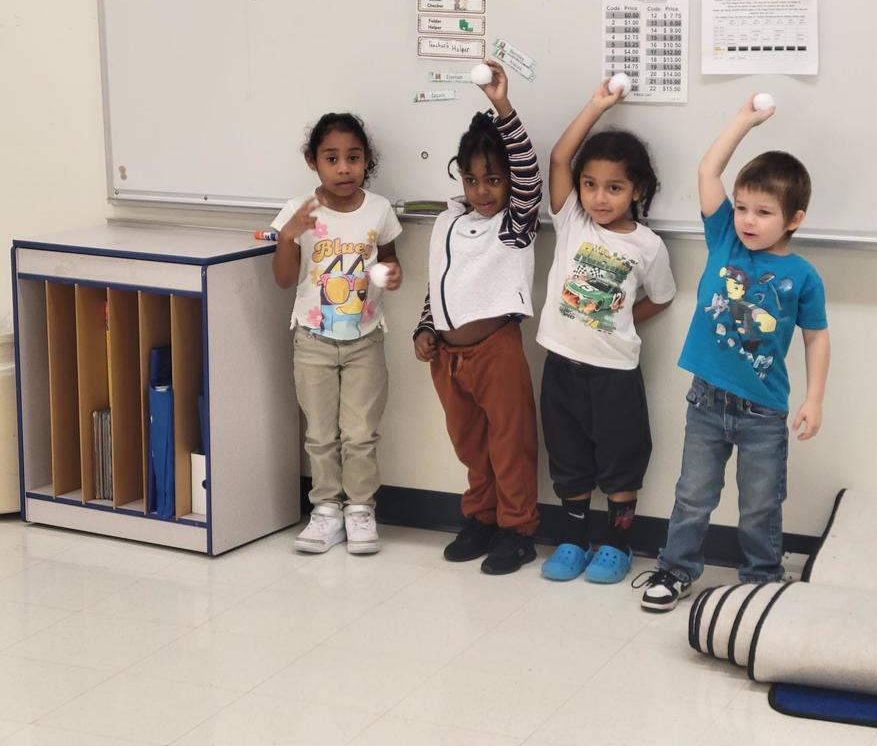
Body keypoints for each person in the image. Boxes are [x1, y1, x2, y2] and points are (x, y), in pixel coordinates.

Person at [636, 96, 830, 612]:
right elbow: (708, 169)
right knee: (693, 496)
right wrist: (744, 121)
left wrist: (814, 399)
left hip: (763, 411)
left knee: (760, 505)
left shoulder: (803, 276)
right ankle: (675, 570)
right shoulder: (723, 238)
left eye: (764, 212)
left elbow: (816, 337)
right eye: (743, 207)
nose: (748, 219)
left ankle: (761, 579)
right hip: (707, 401)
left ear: (794, 219)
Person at [536, 79, 676, 585]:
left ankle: (616, 542)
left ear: (636, 190)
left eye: (614, 187)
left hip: (615, 372)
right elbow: (559, 159)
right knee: (568, 458)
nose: (599, 197)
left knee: (621, 461)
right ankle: (573, 539)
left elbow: (661, 297)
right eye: (590, 184)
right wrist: (596, 105)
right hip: (561, 365)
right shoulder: (572, 220)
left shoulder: (648, 245)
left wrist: (617, 321)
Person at [413, 59, 543, 575]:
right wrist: (426, 326)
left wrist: (502, 105)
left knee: (510, 443)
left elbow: (529, 173)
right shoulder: (448, 221)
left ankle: (518, 529)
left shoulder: (514, 224)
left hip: (496, 350)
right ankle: (482, 518)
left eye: (493, 179)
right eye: (472, 179)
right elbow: (439, 281)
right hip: (448, 356)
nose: (482, 190)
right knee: (471, 444)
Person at [271, 112, 401, 555]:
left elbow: (389, 262)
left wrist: (390, 274)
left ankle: (361, 510)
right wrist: (288, 237)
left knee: (360, 432)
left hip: (365, 339)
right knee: (320, 433)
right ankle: (326, 510)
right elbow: (285, 280)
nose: (344, 168)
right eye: (332, 158)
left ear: (366, 161)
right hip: (312, 340)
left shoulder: (379, 209)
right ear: (313, 162)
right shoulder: (297, 210)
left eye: (354, 158)